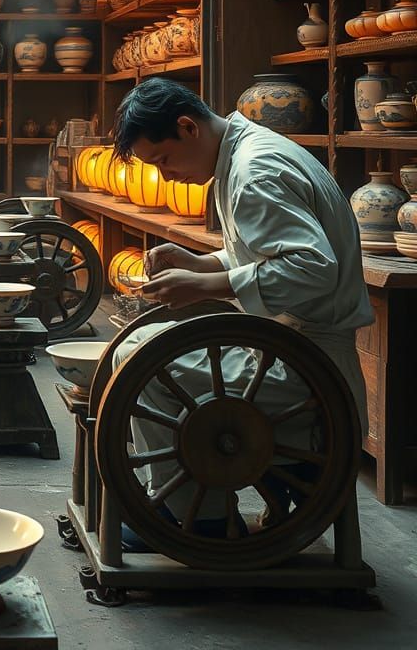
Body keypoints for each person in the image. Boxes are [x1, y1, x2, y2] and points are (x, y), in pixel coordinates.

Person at [111, 78, 371, 537]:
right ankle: (193, 501)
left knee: (138, 357)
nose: (165, 176)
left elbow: (314, 269)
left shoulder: (254, 173)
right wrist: (204, 261)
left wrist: (208, 285)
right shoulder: (247, 149)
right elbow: (271, 255)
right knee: (137, 345)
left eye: (163, 160)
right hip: (290, 349)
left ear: (187, 127)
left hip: (308, 373)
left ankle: (199, 518)